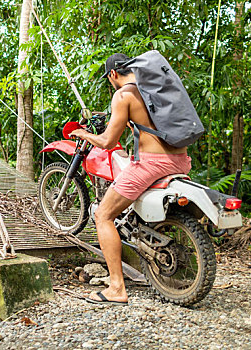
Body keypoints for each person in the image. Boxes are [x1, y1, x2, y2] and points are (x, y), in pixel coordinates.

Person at [68, 53, 192, 305]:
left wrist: (82, 132)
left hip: (152, 164)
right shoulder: (156, 90)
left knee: (103, 215)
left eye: (109, 79)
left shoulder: (123, 95)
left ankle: (116, 288)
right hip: (180, 161)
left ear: (113, 74)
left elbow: (107, 142)